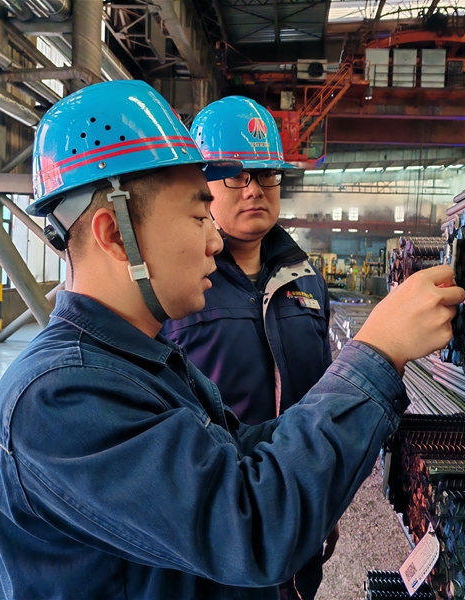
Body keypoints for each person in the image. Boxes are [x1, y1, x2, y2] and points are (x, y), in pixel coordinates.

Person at [0, 80, 465, 600]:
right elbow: (249, 522)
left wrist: (321, 484)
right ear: (116, 234)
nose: (215, 240)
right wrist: (377, 354)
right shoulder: (58, 399)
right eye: (198, 216)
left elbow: (243, 457)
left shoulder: (145, 363)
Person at [161, 96, 333, 600]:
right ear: (203, 186)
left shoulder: (306, 279)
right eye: (236, 176)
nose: (254, 188)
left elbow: (321, 394)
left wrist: (324, 503)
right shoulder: (179, 285)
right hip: (216, 527)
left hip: (297, 513)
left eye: (266, 174)